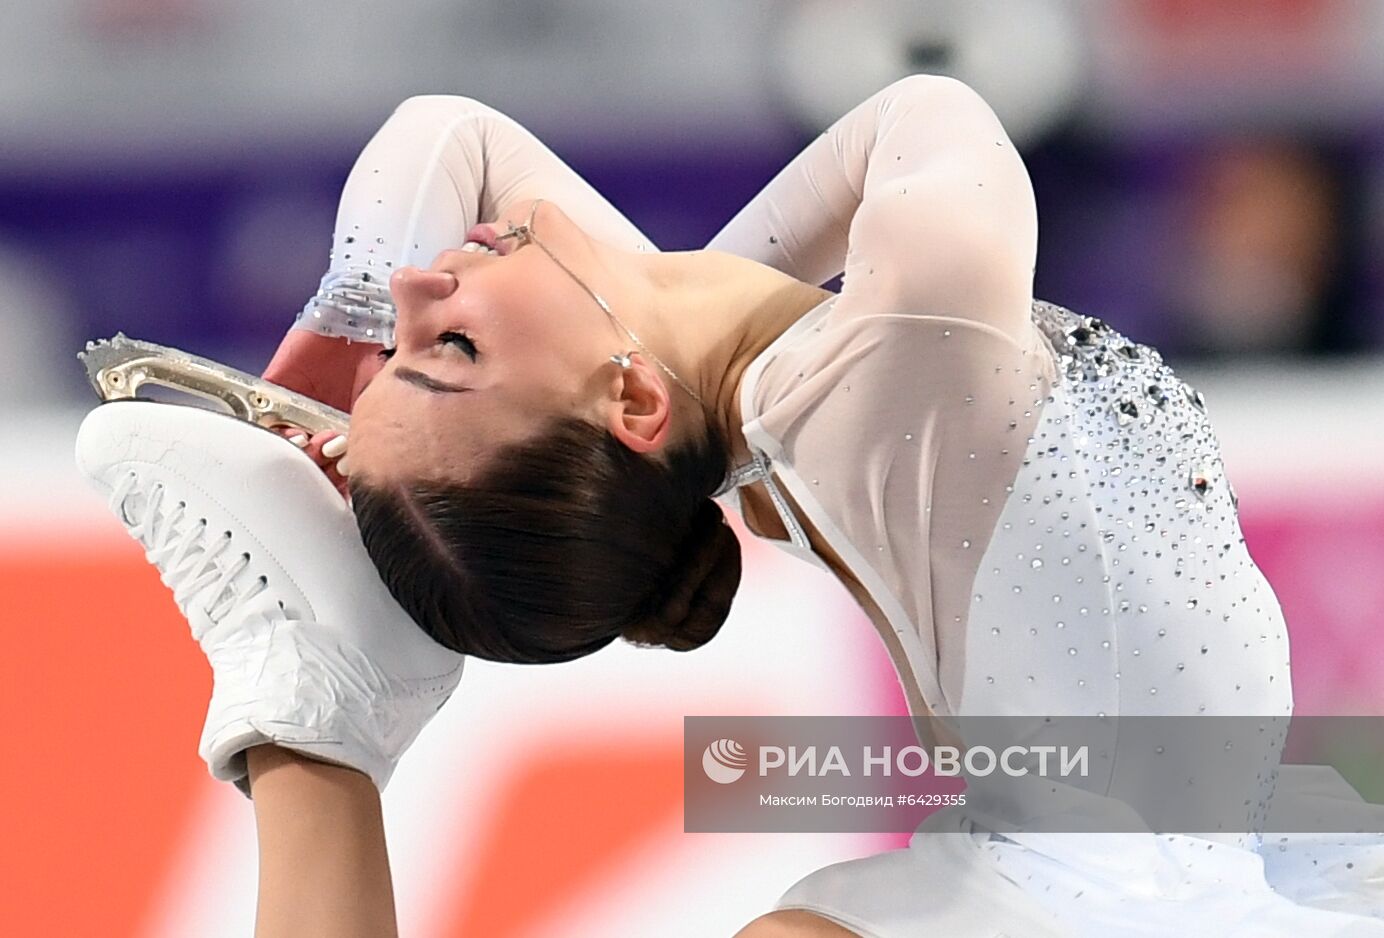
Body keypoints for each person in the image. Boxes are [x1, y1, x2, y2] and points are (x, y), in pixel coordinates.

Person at [84, 77, 1384, 937]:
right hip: (1121, 891)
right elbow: (937, 116)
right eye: (454, 350)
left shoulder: (715, 394)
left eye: (421, 336)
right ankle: (313, 725)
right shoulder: (889, 366)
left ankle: (319, 732)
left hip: (1161, 837)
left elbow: (444, 138)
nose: (427, 292)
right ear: (631, 406)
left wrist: (344, 336)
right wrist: (647, 312)